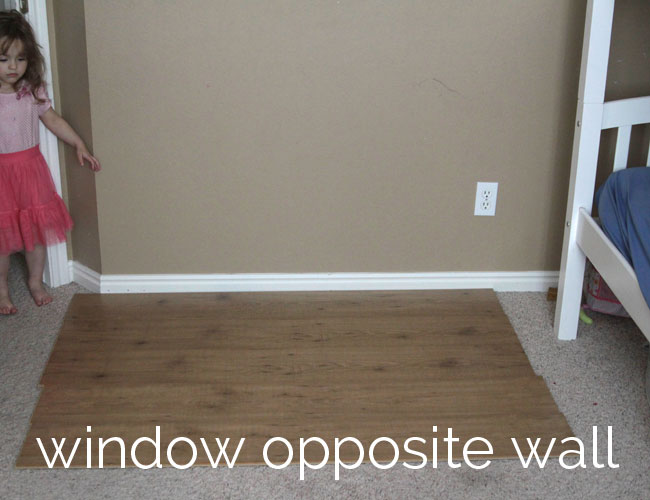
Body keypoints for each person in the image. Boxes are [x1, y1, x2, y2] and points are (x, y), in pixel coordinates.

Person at [0, 10, 100, 315]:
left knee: (35, 232)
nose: (13, 67)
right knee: (2, 238)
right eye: (3, 59)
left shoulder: (31, 90)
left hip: (30, 171)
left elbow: (52, 119)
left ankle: (35, 282)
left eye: (20, 59)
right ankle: (2, 291)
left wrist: (78, 143)